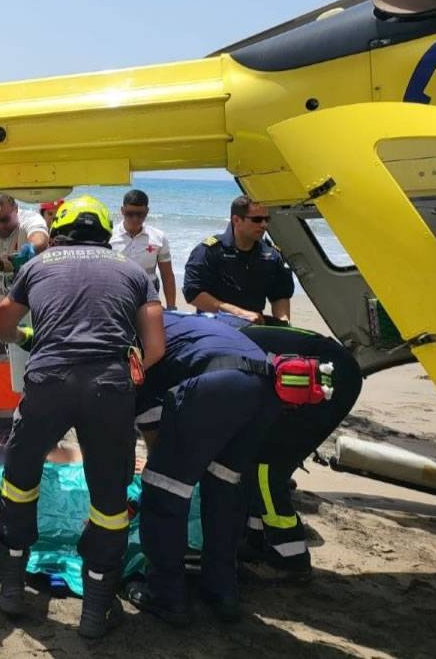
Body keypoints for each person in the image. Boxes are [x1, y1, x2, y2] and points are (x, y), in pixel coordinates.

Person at [0, 196, 166, 639]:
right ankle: (96, 610)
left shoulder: (38, 265)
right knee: (109, 500)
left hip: (48, 381)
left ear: (60, 227)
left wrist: (31, 338)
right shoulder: (131, 270)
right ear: (107, 231)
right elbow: (157, 348)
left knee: (20, 478)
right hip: (109, 386)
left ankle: (10, 585)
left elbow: (1, 323)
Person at [127, 312, 282, 626]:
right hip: (265, 387)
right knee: (224, 486)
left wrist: (164, 470)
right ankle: (222, 590)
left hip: (217, 384)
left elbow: (149, 422)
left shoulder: (134, 339)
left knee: (162, 489)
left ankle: (166, 596)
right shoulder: (176, 322)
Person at [219, 318, 363, 582]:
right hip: (318, 370)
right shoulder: (221, 337)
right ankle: (257, 539)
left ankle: (289, 559)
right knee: (253, 457)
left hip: (325, 381)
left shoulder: (218, 353)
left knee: (265, 469)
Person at [0, 194, 50, 442]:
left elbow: (40, 238)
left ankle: (40, 427)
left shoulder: (30, 220)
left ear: (16, 210)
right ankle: (4, 431)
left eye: (5, 219)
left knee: (37, 371)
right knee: (0, 372)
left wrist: (30, 250)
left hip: (32, 315)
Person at [183, 196, 294, 324]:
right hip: (214, 325)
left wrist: (283, 322)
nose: (264, 225)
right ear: (236, 220)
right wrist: (238, 314)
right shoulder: (209, 251)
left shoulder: (271, 254)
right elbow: (193, 293)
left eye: (266, 219)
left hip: (254, 326)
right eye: (257, 219)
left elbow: (280, 294)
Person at [110, 189, 177, 310]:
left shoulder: (159, 237)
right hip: (118, 293)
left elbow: (167, 275)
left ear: (147, 211)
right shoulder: (109, 237)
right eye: (130, 214)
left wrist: (171, 307)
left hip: (148, 293)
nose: (135, 219)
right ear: (122, 210)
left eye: (140, 214)